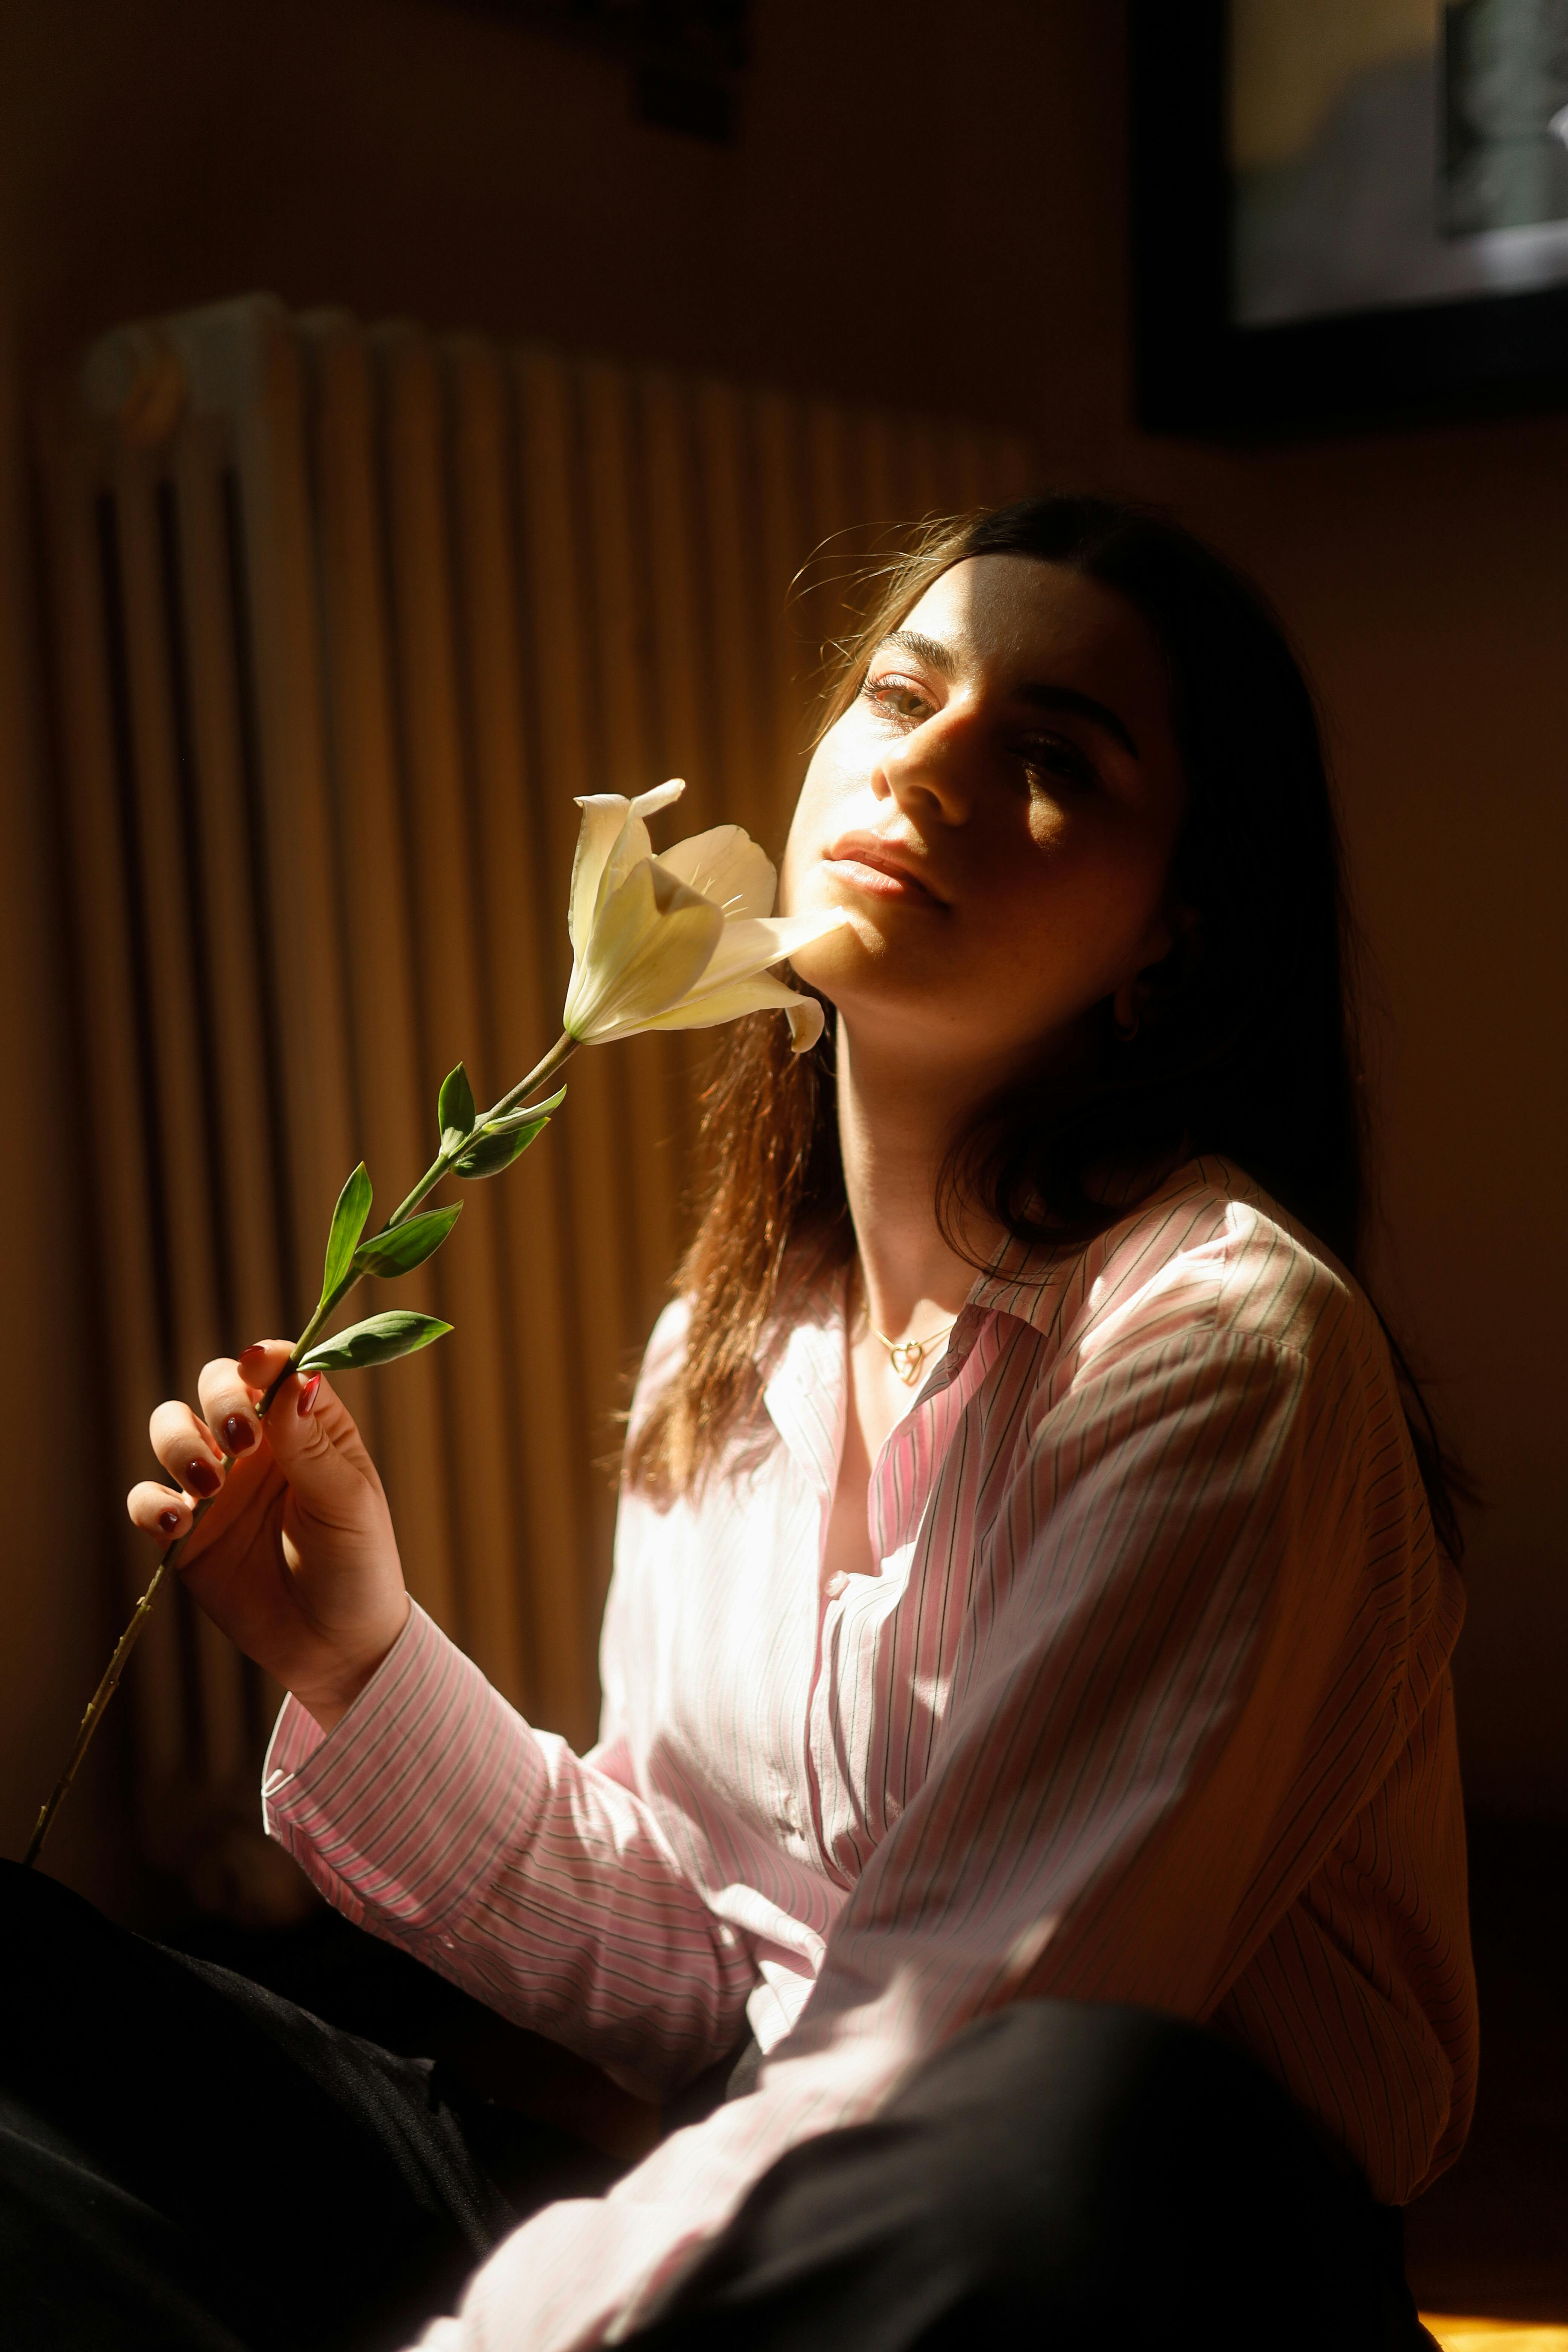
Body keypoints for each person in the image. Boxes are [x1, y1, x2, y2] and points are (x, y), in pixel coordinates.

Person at [1, 496, 1473, 2352]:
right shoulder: (736, 1338)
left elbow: (943, 2045)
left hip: (1119, 2274)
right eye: (896, 694)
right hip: (792, 2198)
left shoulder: (1217, 1348)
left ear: (1165, 938)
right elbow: (710, 1973)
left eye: (1045, 758)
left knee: (1066, 2111)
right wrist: (356, 1655)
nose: (919, 765)